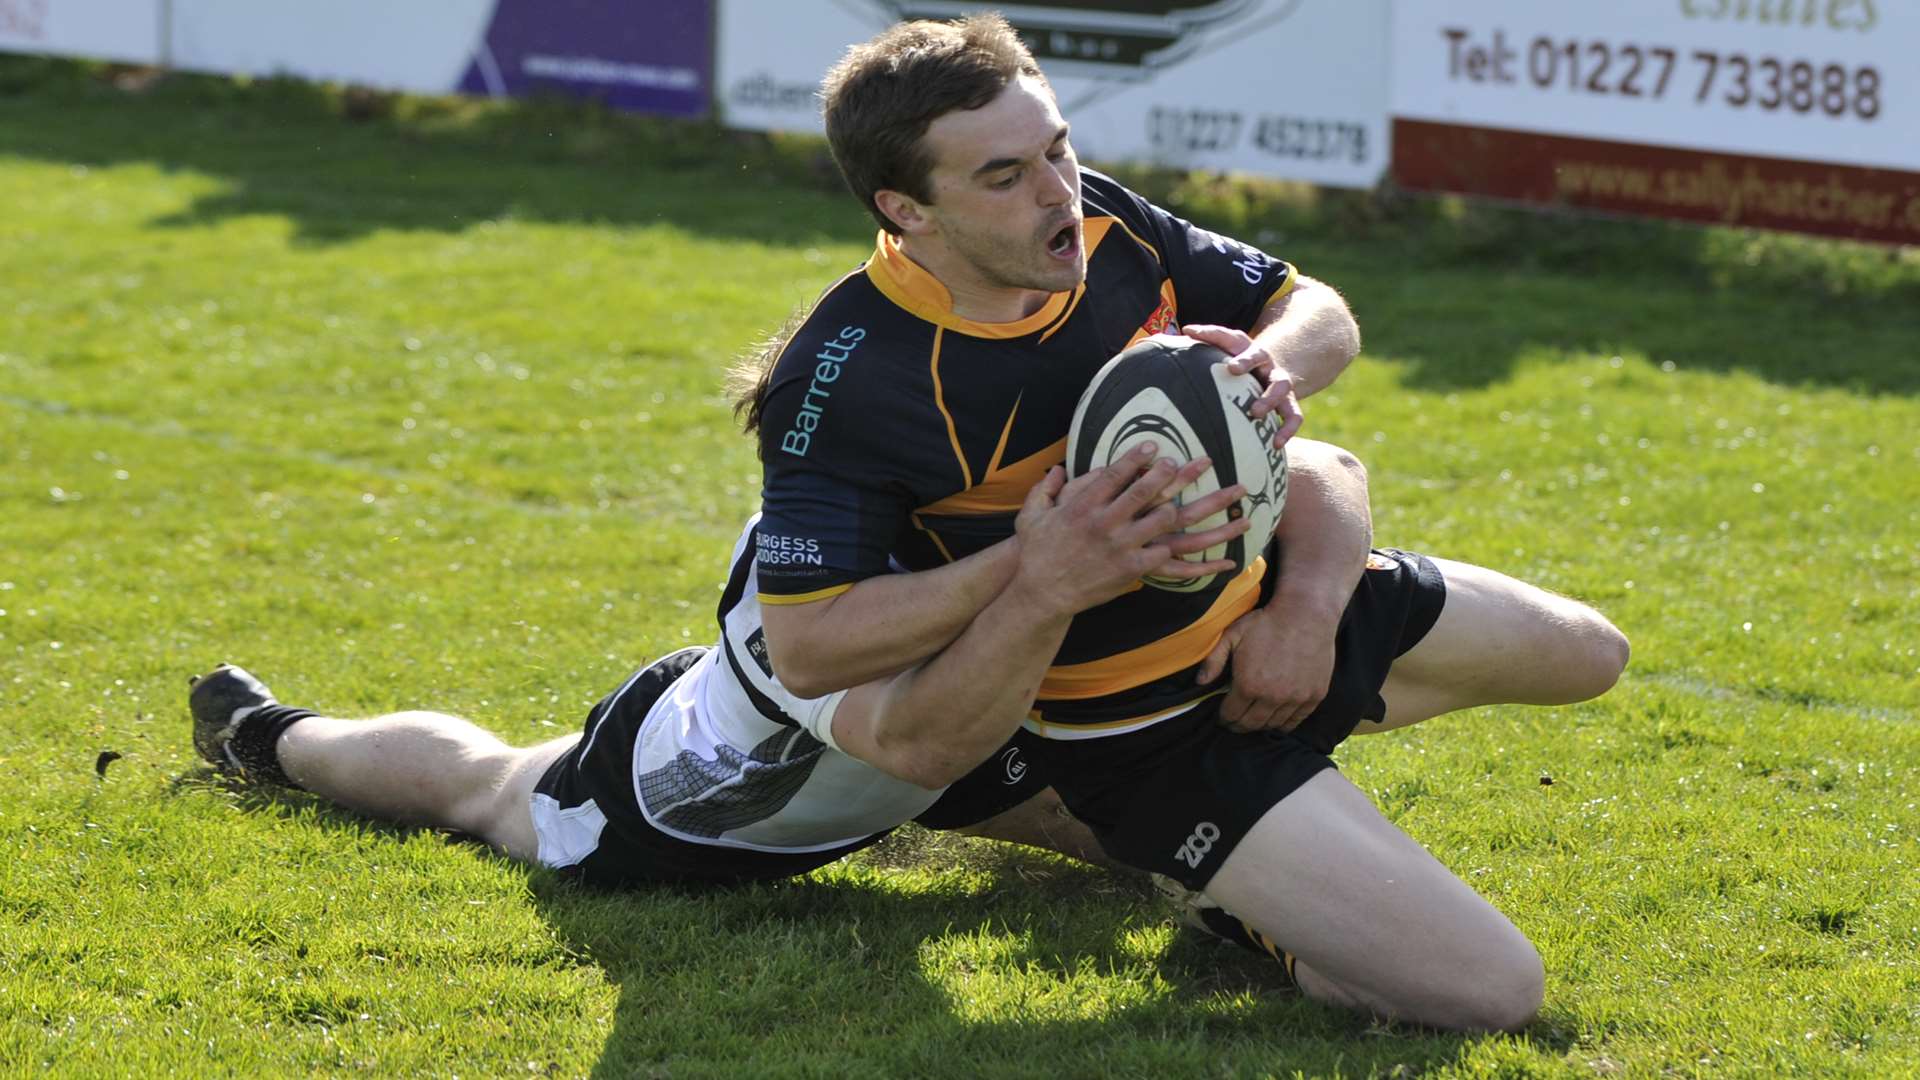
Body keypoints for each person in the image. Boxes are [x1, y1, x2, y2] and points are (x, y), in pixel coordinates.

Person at [733, 14, 1630, 1032]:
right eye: (1003, 176)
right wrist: (1040, 561)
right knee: (1493, 993)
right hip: (1140, 725)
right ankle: (1250, 900)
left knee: (1593, 655)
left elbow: (1315, 309)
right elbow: (809, 646)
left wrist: (1271, 383)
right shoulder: (849, 377)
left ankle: (1292, 796)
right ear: (908, 210)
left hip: (1263, 611)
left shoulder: (1105, 222)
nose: (1056, 190)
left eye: (1059, 147)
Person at [188, 439, 1370, 892]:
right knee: (486, 785)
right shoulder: (809, 600)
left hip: (904, 743)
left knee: (1111, 829)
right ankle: (276, 738)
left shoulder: (973, 472)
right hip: (667, 797)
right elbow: (914, 733)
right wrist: (1041, 568)